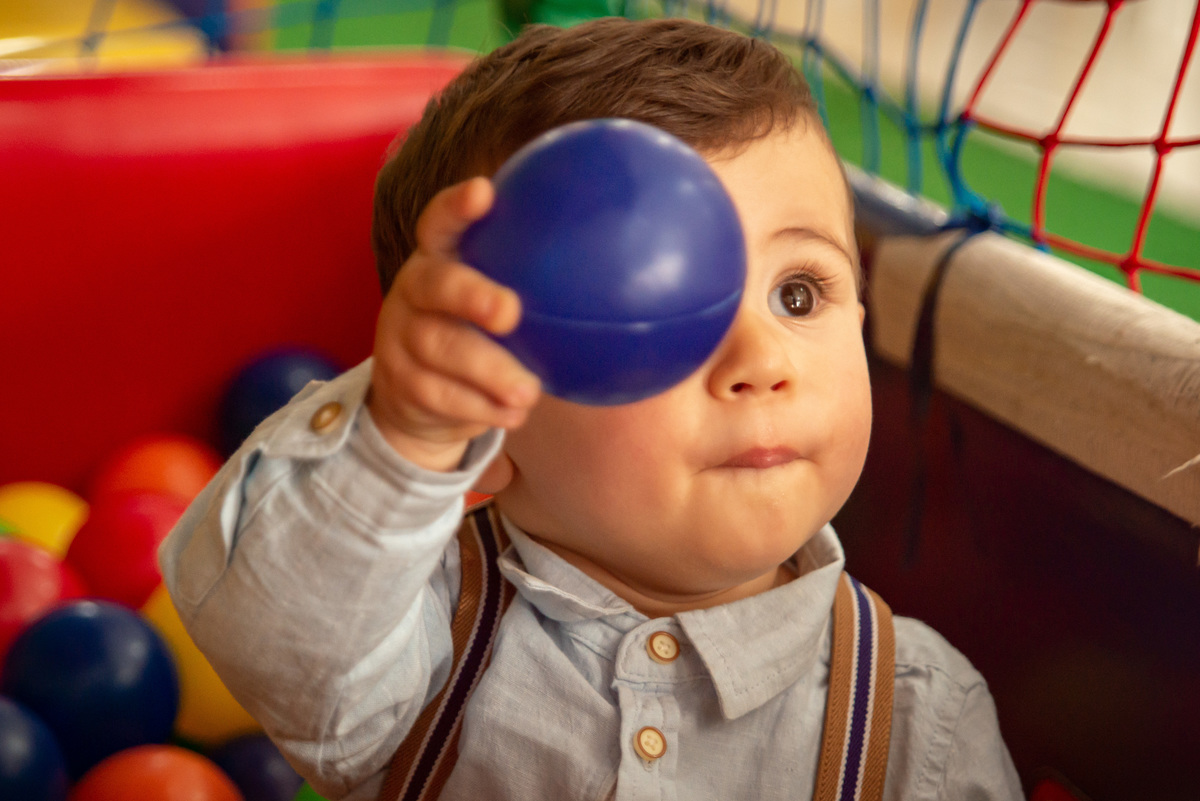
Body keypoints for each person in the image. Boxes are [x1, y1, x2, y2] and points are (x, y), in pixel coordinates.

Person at [159, 16, 1024, 801]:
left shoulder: (921, 719)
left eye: (797, 294)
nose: (762, 362)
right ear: (487, 415)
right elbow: (272, 631)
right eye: (657, 315)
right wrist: (401, 435)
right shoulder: (415, 634)